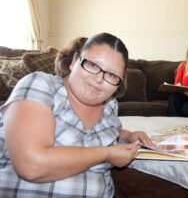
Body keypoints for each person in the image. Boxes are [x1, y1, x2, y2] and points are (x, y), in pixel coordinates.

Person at [0, 33, 154, 197]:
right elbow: (31, 166)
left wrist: (127, 136)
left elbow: (96, 135)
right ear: (74, 61)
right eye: (93, 65)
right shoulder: (40, 84)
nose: (99, 79)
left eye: (111, 75)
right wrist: (107, 154)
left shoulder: (109, 105)